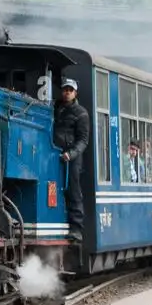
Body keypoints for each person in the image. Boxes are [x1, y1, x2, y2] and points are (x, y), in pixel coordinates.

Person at [53, 78, 90, 242]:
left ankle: (76, 229)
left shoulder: (81, 113)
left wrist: (71, 154)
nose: (67, 92)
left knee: (73, 189)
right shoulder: (55, 108)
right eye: (65, 89)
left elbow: (83, 140)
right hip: (54, 153)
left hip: (72, 158)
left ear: (75, 93)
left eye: (70, 90)